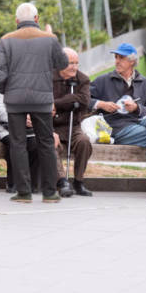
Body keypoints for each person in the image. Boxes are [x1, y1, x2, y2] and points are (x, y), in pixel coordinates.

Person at [0, 2, 68, 203]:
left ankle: (23, 191)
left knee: (18, 144)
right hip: (42, 100)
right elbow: (63, 64)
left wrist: (7, 90)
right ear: (37, 19)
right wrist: (52, 38)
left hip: (15, 100)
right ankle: (50, 192)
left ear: (16, 21)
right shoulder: (49, 39)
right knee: (46, 143)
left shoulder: (6, 40)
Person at [90, 43, 146, 199]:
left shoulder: (144, 82)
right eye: (116, 57)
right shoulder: (103, 80)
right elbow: (84, 97)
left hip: (140, 123)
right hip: (117, 127)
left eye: (122, 58)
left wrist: (136, 108)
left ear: (132, 61)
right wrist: (101, 104)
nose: (117, 61)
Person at [0, 80, 41, 193]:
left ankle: (31, 183)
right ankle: (14, 183)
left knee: (36, 143)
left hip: (27, 126)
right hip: (3, 125)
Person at [52, 47, 93, 197]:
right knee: (51, 142)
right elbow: (42, 101)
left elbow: (84, 101)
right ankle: (62, 181)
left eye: (77, 63)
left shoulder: (82, 79)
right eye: (70, 63)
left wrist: (56, 104)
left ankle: (78, 181)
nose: (74, 67)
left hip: (72, 125)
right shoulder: (48, 77)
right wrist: (70, 102)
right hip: (51, 125)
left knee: (84, 141)